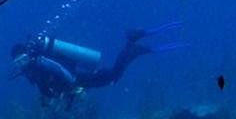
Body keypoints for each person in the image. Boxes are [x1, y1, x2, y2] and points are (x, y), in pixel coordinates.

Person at [10, 24, 184, 100]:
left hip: (81, 76)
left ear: (29, 55)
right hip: (80, 80)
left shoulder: (40, 62)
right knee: (114, 77)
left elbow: (60, 70)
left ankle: (132, 44)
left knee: (114, 77)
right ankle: (134, 47)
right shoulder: (30, 71)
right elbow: (48, 86)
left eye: (23, 59)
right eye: (18, 62)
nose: (22, 64)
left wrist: (73, 86)